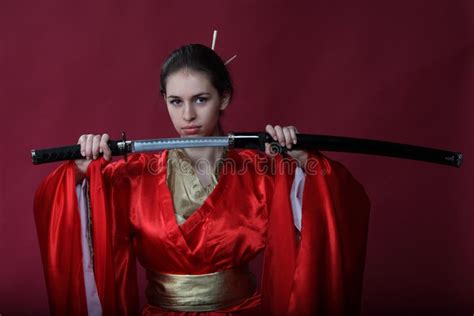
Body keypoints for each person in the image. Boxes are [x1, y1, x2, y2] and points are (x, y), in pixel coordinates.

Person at [34, 44, 371, 315]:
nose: (188, 116)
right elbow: (74, 222)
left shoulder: (264, 172)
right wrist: (79, 172)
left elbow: (332, 209)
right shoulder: (131, 177)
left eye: (200, 99)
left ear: (224, 97)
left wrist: (301, 160)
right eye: (175, 101)